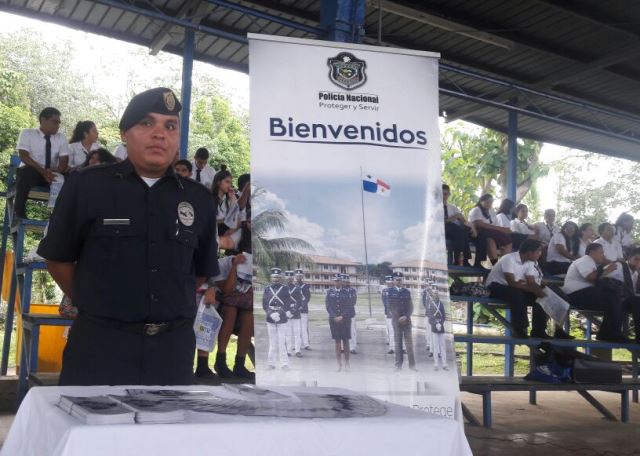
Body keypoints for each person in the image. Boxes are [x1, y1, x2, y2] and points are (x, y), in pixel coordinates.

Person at [38, 87, 219, 385]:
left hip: (171, 354)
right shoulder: (87, 186)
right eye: (147, 123)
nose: (159, 134)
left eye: (169, 126)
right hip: (100, 348)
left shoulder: (199, 199)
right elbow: (57, 259)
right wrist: (98, 303)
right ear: (124, 133)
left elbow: (198, 273)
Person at [485, 240, 549, 338]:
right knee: (517, 293)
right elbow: (511, 282)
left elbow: (531, 283)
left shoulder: (530, 262)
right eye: (538, 251)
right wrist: (532, 289)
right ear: (529, 252)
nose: (540, 254)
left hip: (513, 288)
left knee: (540, 297)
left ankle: (539, 331)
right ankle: (520, 329)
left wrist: (540, 291)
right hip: (495, 286)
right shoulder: (509, 259)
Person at [562, 243, 626, 342]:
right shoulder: (585, 260)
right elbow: (591, 277)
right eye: (601, 252)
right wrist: (607, 269)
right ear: (592, 252)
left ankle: (607, 333)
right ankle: (611, 333)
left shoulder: (591, 263)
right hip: (576, 294)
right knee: (613, 297)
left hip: (586, 293)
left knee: (616, 300)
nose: (603, 255)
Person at [15, 107, 70, 219]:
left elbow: (64, 161)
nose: (58, 125)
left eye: (59, 123)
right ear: (43, 120)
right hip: (33, 173)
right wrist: (43, 172)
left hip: (52, 175)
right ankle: (19, 214)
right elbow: (24, 156)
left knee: (72, 177)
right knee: (26, 172)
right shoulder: (28, 133)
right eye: (55, 122)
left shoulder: (61, 137)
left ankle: (61, 217)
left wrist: (54, 173)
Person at [601, 247, 640, 344]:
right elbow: (601, 278)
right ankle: (612, 333)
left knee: (637, 301)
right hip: (609, 298)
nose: (638, 262)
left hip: (623, 300)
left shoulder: (635, 274)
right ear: (629, 258)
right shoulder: (619, 266)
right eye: (636, 259)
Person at [263, 267, 294, 370]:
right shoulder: (267, 289)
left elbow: (288, 303)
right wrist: (270, 313)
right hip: (270, 318)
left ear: (280, 278)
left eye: (277, 277)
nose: (275, 279)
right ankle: (271, 363)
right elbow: (264, 304)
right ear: (271, 278)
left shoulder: (285, 289)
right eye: (274, 277)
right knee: (272, 342)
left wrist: (280, 313)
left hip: (282, 318)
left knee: (281, 342)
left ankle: (284, 364)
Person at [468, 194, 512, 264]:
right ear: (481, 201)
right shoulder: (476, 210)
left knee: (504, 242)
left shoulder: (491, 211)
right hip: (479, 231)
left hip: (491, 233)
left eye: (491, 202)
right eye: (487, 202)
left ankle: (502, 264)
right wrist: (500, 229)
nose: (489, 204)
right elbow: (479, 224)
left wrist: (501, 229)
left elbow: (496, 224)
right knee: (492, 240)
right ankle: (495, 264)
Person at [442, 183, 477, 266]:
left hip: (455, 231)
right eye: (441, 194)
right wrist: (454, 217)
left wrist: (472, 228)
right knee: (458, 230)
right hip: (442, 229)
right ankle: (459, 260)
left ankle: (464, 260)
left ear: (449, 194)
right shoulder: (434, 207)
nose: (443, 196)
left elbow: (464, 220)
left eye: (445, 194)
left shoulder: (452, 208)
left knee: (465, 230)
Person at [387, 272, 416, 371]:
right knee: (398, 344)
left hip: (407, 321)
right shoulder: (390, 292)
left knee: (409, 344)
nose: (399, 281)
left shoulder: (406, 292)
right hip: (397, 322)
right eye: (397, 279)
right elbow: (390, 307)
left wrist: (406, 316)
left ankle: (412, 366)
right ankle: (398, 365)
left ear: (402, 281)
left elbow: (411, 307)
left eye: (400, 279)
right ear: (394, 281)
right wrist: (399, 317)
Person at [326, 274, 351, 371]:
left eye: (338, 281)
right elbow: (328, 306)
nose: (337, 282)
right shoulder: (329, 292)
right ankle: (339, 364)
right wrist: (334, 316)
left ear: (341, 281)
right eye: (335, 281)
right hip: (334, 320)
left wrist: (342, 316)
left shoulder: (346, 292)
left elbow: (349, 306)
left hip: (345, 320)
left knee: (346, 341)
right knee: (337, 342)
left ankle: (347, 363)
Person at [426, 285, 448, 371]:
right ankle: (436, 364)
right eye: (435, 293)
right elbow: (430, 317)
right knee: (435, 347)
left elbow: (444, 316)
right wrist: (436, 324)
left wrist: (440, 323)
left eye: (437, 293)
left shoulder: (441, 304)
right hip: (434, 328)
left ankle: (444, 364)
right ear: (433, 294)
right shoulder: (430, 304)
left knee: (443, 347)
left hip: (441, 327)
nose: (436, 295)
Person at [285, 270, 304, 358]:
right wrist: (287, 311)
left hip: (296, 313)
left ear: (293, 279)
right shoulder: (283, 288)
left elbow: (300, 301)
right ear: (286, 278)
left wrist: (293, 311)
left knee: (297, 333)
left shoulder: (297, 288)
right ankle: (288, 351)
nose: (289, 280)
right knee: (288, 333)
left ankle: (298, 351)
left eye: (291, 278)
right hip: (286, 313)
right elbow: (282, 302)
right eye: (288, 278)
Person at [294, 269, 312, 351]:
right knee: (296, 329)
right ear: (295, 277)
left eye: (300, 276)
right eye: (297, 276)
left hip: (303, 309)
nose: (298, 277)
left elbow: (307, 298)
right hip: (295, 309)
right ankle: (296, 345)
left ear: (302, 277)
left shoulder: (305, 286)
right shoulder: (293, 286)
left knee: (304, 328)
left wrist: (302, 306)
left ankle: (306, 344)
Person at [343, 274, 358, 354]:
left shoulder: (352, 290)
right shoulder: (340, 290)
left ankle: (352, 347)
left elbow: (353, 301)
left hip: (351, 313)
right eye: (345, 281)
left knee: (352, 331)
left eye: (347, 281)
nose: (346, 283)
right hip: (342, 314)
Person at [381, 275, 395, 354]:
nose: (390, 284)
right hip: (389, 313)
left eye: (391, 282)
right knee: (391, 331)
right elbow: (384, 302)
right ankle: (392, 347)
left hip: (396, 314)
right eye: (388, 282)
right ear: (386, 283)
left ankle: (401, 348)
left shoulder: (396, 290)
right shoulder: (384, 291)